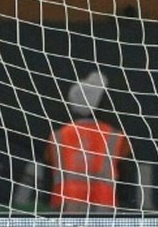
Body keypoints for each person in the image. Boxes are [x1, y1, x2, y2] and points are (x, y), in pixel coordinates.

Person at [44, 69, 132, 213]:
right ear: (100, 104)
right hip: (104, 213)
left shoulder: (58, 136)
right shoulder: (115, 136)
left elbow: (48, 178)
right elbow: (126, 181)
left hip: (65, 212)